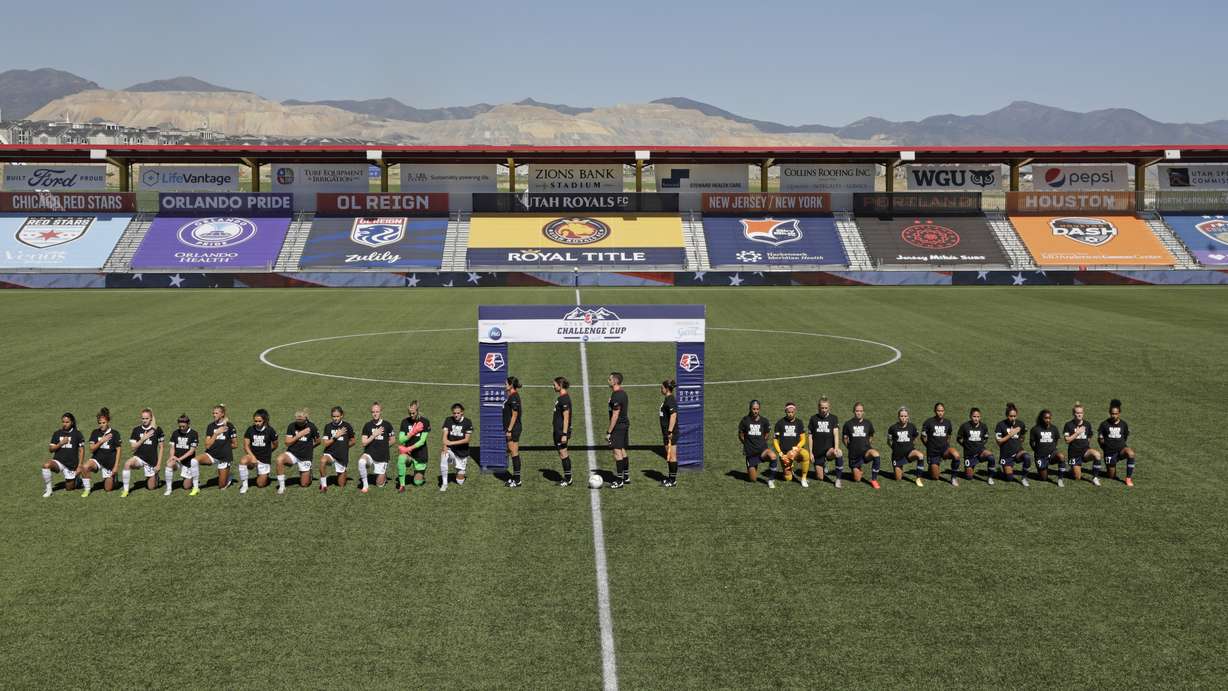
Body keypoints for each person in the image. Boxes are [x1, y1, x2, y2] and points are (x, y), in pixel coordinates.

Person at [121, 408, 164, 497]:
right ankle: (125, 490)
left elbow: (161, 447)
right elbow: (133, 447)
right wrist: (143, 438)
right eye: (143, 418)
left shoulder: (157, 430)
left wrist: (159, 464)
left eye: (147, 418)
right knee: (127, 464)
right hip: (139, 458)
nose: (144, 420)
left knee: (151, 487)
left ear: (151, 418)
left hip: (151, 461)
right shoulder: (136, 430)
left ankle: (156, 476)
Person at [276, 409, 319, 494]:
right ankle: (282, 486)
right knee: (279, 459)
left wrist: (309, 447)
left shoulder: (312, 427)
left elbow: (318, 441)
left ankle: (309, 472)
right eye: (297, 420)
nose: (298, 422)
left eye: (301, 420)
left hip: (305, 456)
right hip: (292, 453)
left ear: (306, 418)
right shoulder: (291, 426)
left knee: (304, 484)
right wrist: (299, 435)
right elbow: (287, 443)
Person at [196, 405, 238, 491]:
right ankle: (195, 484)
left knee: (222, 487)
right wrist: (216, 434)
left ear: (222, 414)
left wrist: (224, 447)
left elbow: (235, 444)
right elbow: (207, 445)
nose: (214, 415)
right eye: (213, 413)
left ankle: (228, 477)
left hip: (224, 457)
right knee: (194, 461)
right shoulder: (210, 426)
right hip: (212, 455)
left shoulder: (229, 426)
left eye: (216, 413)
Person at [41, 412, 84, 497]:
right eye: (63, 422)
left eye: (67, 422)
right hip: (59, 462)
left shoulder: (77, 434)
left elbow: (81, 450)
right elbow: (51, 449)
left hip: (71, 465)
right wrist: (60, 444)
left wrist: (80, 465)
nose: (65, 424)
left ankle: (77, 480)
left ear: (72, 422)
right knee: (46, 465)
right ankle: (49, 490)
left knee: (69, 488)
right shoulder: (57, 433)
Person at [739, 400, 778, 488]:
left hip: (762, 450)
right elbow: (741, 435)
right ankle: (751, 466)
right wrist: (747, 444)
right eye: (754, 409)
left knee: (773, 456)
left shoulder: (764, 421)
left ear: (759, 409)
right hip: (751, 453)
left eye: (757, 409)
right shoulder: (745, 420)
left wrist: (761, 443)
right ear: (750, 409)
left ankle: (771, 480)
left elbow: (767, 434)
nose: (755, 411)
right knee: (753, 480)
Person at [81, 408, 120, 496]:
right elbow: (91, 449)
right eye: (100, 423)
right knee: (85, 467)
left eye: (104, 423)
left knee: (107, 489)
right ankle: (87, 490)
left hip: (109, 463)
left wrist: (116, 466)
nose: (102, 425)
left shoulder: (115, 433)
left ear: (108, 421)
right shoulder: (95, 433)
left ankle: (113, 478)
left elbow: (119, 450)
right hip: (97, 460)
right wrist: (101, 441)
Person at [841, 402, 881, 489]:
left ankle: (874, 479)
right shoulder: (848, 424)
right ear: (854, 411)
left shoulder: (868, 423)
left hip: (866, 452)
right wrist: (850, 447)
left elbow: (871, 435)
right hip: (854, 455)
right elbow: (844, 439)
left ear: (863, 412)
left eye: (860, 411)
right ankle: (858, 469)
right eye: (857, 411)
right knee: (857, 479)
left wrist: (867, 445)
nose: (859, 413)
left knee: (876, 454)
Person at [921, 402, 962, 486]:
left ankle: (953, 478)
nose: (940, 412)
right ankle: (932, 466)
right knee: (935, 477)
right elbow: (923, 437)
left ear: (944, 411)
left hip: (944, 449)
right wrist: (929, 446)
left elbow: (949, 434)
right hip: (933, 452)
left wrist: (947, 444)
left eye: (942, 411)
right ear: (935, 411)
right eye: (938, 410)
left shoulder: (947, 422)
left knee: (956, 455)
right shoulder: (928, 422)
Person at [358, 402, 395, 493]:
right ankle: (365, 486)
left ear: (381, 412)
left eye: (377, 411)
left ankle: (383, 474)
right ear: (371, 412)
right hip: (369, 454)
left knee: (379, 485)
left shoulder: (387, 425)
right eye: (373, 412)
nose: (375, 413)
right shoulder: (367, 425)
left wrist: (384, 447)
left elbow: (393, 440)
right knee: (361, 461)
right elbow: (363, 443)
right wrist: (374, 435)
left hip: (382, 456)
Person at [1098, 398, 1135, 487]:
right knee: (1111, 476)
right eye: (1112, 414)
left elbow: (1125, 436)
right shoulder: (1104, 424)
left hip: (1121, 450)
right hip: (1109, 452)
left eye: (1116, 414)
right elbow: (1100, 439)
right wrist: (1105, 448)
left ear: (1119, 413)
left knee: (1131, 453)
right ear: (1109, 413)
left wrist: (1121, 445)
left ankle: (1128, 478)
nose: (1114, 416)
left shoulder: (1124, 424)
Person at [238, 409, 277, 494]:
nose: (257, 423)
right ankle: (245, 485)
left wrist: (268, 452)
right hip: (252, 456)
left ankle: (264, 475)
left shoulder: (270, 430)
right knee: (243, 461)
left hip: (264, 459)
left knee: (260, 485)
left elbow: (275, 444)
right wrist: (252, 457)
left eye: (259, 421)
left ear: (265, 420)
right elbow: (246, 446)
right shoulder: (250, 429)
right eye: (255, 421)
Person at [773, 402, 811, 487]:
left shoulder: (799, 422)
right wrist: (780, 453)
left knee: (805, 454)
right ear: (785, 411)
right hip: (785, 454)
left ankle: (804, 478)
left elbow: (803, 439)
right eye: (788, 412)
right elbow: (775, 440)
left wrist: (796, 449)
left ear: (795, 411)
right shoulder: (780, 423)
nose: (790, 414)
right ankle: (789, 469)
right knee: (788, 478)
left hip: (796, 451)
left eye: (792, 412)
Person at [319, 406, 356, 492]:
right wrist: (335, 436)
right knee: (322, 461)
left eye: (337, 416)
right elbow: (325, 443)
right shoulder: (328, 426)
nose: (335, 418)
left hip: (341, 456)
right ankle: (324, 485)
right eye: (334, 416)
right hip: (330, 454)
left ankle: (343, 471)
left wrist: (344, 448)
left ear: (342, 415)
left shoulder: (347, 426)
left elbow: (353, 441)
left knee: (341, 484)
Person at [807, 397, 842, 486]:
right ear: (819, 407)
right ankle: (822, 464)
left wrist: (836, 448)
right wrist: (810, 452)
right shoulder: (813, 418)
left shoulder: (834, 418)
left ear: (829, 407)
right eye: (822, 408)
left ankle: (838, 479)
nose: (824, 410)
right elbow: (810, 436)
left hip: (828, 449)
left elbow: (836, 434)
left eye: (826, 408)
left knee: (839, 453)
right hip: (817, 451)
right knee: (820, 478)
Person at [994, 403, 1032, 487]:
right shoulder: (1000, 425)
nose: (1013, 418)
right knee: (1009, 478)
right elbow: (999, 442)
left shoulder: (1020, 424)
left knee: (1027, 457)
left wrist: (1019, 443)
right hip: (1006, 454)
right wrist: (1010, 435)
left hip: (1018, 450)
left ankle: (1024, 478)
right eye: (1010, 416)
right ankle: (1001, 472)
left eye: (1014, 416)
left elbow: (1022, 436)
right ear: (1007, 415)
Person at [1063, 402, 1100, 485]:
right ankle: (1072, 469)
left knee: (1097, 455)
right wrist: (1077, 433)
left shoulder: (1087, 424)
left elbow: (1089, 436)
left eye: (1081, 413)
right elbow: (1067, 440)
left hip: (1085, 451)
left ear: (1083, 413)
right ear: (1073, 414)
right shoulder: (1068, 425)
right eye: (1077, 413)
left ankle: (1095, 477)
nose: (1079, 415)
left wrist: (1085, 445)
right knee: (1077, 477)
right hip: (1074, 453)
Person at [398, 400, 431, 491]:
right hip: (409, 454)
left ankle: (420, 475)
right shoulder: (405, 422)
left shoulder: (425, 421)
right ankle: (402, 485)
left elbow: (422, 441)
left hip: (420, 454)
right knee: (401, 459)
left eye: (413, 413)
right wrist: (413, 432)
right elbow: (401, 439)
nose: (411, 415)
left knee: (417, 482)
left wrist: (408, 448)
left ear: (417, 411)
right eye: (409, 413)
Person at [957, 408, 996, 484]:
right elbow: (959, 438)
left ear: (980, 417)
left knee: (991, 457)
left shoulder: (983, 426)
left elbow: (985, 438)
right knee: (969, 477)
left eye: (978, 417)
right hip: (969, 454)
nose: (976, 418)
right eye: (974, 416)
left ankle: (990, 477)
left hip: (980, 451)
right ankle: (970, 467)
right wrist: (965, 446)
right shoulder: (964, 426)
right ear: (970, 416)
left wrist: (980, 446)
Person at [439, 403, 473, 492]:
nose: (456, 415)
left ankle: (459, 471)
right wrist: (445, 445)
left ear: (462, 413)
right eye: (454, 413)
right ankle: (444, 483)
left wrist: (451, 442)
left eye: (458, 413)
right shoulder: (448, 420)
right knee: (444, 454)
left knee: (460, 481)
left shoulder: (467, 422)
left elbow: (467, 440)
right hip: (451, 450)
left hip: (462, 453)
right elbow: (445, 435)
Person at [886, 407, 924, 485]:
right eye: (902, 416)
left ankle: (918, 478)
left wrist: (912, 445)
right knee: (898, 478)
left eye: (905, 416)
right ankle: (899, 469)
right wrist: (894, 448)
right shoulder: (893, 428)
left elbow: (916, 436)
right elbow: (889, 441)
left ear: (908, 417)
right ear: (898, 417)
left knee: (920, 456)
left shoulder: (912, 426)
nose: (904, 418)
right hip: (897, 456)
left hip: (909, 453)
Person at [164, 414, 200, 496]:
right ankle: (168, 489)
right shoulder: (175, 433)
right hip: (177, 460)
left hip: (188, 462)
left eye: (183, 426)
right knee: (169, 465)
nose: (181, 428)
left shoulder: (194, 433)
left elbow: (191, 451)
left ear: (188, 423)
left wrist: (180, 459)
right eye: (180, 426)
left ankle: (192, 478)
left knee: (186, 487)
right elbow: (172, 447)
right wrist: (172, 457)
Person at [607, 372, 631, 488]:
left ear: (615, 381)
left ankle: (619, 480)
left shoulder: (616, 395)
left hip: (618, 426)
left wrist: (609, 431)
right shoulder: (622, 393)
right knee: (622, 450)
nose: (608, 381)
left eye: (610, 379)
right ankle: (626, 476)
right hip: (624, 425)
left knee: (617, 452)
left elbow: (615, 415)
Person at [1029, 409, 1065, 486]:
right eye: (1046, 418)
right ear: (1041, 418)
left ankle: (1060, 479)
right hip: (1040, 456)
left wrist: (1052, 449)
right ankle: (1043, 469)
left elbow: (1056, 440)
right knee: (1044, 478)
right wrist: (1037, 451)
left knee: (1061, 456)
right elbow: (1032, 442)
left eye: (1049, 418)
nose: (1048, 420)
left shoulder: (1054, 428)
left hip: (1052, 453)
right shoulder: (1035, 429)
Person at [552, 377, 574, 486]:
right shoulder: (561, 398)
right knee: (562, 453)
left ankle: (568, 478)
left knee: (563, 452)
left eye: (555, 384)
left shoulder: (564, 399)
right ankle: (567, 477)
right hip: (558, 430)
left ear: (560, 385)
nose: (553, 386)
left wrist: (564, 434)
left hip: (561, 431)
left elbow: (566, 417)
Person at [503, 377, 523, 487]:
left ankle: (517, 480)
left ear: (511, 385)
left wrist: (509, 430)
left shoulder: (514, 397)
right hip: (511, 428)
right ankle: (515, 477)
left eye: (506, 383)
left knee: (514, 453)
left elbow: (515, 414)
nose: (504, 385)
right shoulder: (512, 396)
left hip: (513, 429)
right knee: (512, 452)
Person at [660, 379, 679, 487]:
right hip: (667, 432)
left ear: (667, 389)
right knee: (670, 456)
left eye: (662, 387)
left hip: (670, 433)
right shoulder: (668, 399)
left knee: (672, 456)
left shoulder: (670, 400)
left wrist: (670, 431)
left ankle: (672, 480)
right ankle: (671, 478)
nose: (660, 389)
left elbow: (673, 415)